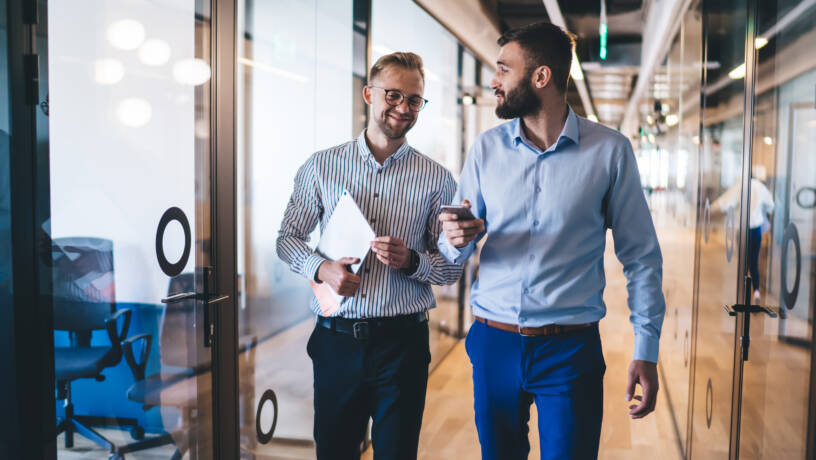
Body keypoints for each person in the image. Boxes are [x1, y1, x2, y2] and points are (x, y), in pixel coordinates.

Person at [437, 23, 666, 460]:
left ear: (541, 77)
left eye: (504, 69)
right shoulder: (485, 150)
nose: (494, 81)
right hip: (494, 342)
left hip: (569, 351)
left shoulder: (610, 152)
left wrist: (646, 347)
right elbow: (453, 252)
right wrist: (455, 238)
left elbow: (641, 258)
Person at [276, 51, 462, 460]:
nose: (403, 108)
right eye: (393, 95)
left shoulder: (437, 180)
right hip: (336, 342)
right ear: (368, 95)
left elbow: (450, 269)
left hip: (404, 345)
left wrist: (412, 261)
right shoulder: (322, 166)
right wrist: (321, 268)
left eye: (414, 100)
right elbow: (287, 238)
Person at [711, 165, 775, 301]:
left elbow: (726, 201)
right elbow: (771, 206)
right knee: (754, 261)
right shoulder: (762, 188)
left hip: (743, 230)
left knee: (743, 262)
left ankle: (743, 292)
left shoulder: (742, 185)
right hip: (756, 230)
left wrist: (710, 208)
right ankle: (756, 291)